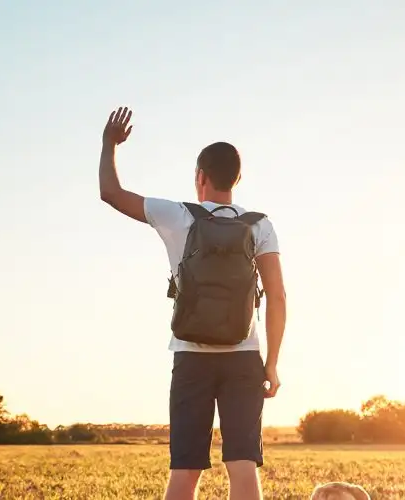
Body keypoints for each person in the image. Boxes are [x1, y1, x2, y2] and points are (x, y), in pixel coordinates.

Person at [96, 106, 286, 500]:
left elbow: (110, 194)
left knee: (185, 469)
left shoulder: (177, 215)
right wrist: (271, 363)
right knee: (243, 468)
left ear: (200, 176)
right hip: (243, 357)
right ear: (237, 178)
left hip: (191, 357)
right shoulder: (259, 224)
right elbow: (278, 296)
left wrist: (108, 144)